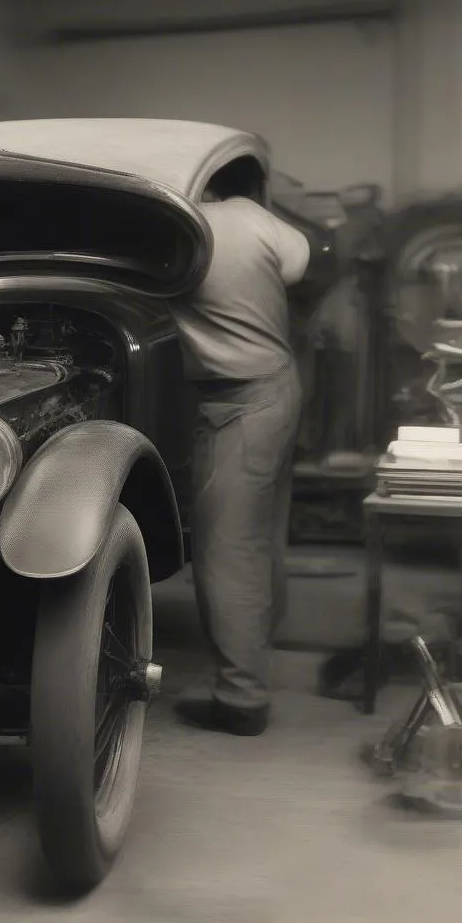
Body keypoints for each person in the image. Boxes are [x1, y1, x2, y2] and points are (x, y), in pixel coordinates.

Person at [168, 164, 311, 736]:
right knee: (261, 536)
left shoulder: (183, 230)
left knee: (227, 551)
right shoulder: (256, 219)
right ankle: (258, 656)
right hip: (278, 385)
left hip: (238, 404)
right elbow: (298, 263)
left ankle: (241, 699)